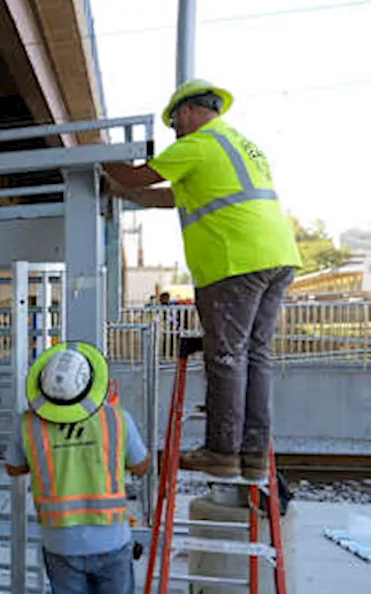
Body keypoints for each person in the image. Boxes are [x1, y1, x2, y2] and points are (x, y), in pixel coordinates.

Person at [103, 79, 300, 481]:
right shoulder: (237, 145)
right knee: (256, 356)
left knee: (226, 356)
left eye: (175, 121)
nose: (174, 130)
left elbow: (141, 177)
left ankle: (222, 452)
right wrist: (118, 191)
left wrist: (97, 160)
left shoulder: (197, 143)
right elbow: (165, 196)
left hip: (234, 262)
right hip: (276, 257)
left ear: (188, 112)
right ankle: (253, 454)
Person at [4, 342, 151, 594]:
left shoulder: (30, 424)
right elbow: (143, 465)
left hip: (61, 542)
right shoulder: (116, 419)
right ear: (93, 384)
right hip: (112, 538)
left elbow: (13, 468)